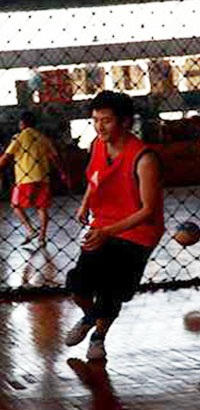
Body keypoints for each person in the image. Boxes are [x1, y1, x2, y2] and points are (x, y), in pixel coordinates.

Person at [64, 91, 164, 360]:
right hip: (103, 225)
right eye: (95, 120)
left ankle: (98, 337)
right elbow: (95, 178)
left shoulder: (144, 158)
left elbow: (148, 210)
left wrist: (106, 232)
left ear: (125, 122)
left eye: (106, 120)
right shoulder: (98, 144)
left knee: (111, 291)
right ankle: (90, 317)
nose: (99, 126)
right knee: (78, 285)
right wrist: (85, 203)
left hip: (139, 232)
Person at [0, 111, 68, 246]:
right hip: (43, 177)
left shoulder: (20, 137)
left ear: (22, 123)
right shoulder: (42, 138)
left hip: (25, 178)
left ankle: (30, 230)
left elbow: (6, 157)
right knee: (42, 207)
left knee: (15, 205)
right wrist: (62, 173)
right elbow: (54, 157)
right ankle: (42, 237)